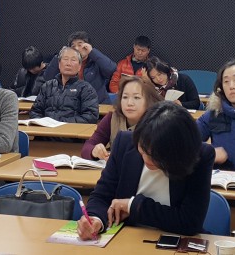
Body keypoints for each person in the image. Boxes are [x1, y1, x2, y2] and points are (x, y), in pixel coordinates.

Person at [77, 102, 215, 239]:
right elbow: (101, 196)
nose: (146, 159)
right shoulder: (124, 143)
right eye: (143, 149)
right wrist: (96, 219)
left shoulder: (199, 156)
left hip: (175, 241)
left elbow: (189, 222)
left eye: (156, 156)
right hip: (126, 239)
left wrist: (134, 206)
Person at [81, 76, 161, 160]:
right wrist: (94, 151)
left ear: (149, 101)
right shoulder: (112, 118)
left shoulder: (157, 123)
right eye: (125, 97)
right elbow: (87, 147)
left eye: (136, 97)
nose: (129, 103)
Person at [42, 31, 117, 104]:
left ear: (88, 46)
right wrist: (60, 56)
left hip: (98, 104)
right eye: (73, 46)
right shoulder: (67, 63)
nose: (77, 48)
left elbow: (112, 70)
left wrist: (92, 52)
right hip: (72, 105)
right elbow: (48, 77)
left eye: (80, 45)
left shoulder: (96, 61)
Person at [30, 45, 99, 123]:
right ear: (59, 64)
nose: (68, 63)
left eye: (73, 60)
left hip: (71, 130)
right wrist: (43, 123)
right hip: (47, 129)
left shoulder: (86, 89)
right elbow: (35, 112)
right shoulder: (47, 86)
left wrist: (61, 123)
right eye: (65, 59)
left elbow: (90, 117)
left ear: (79, 66)